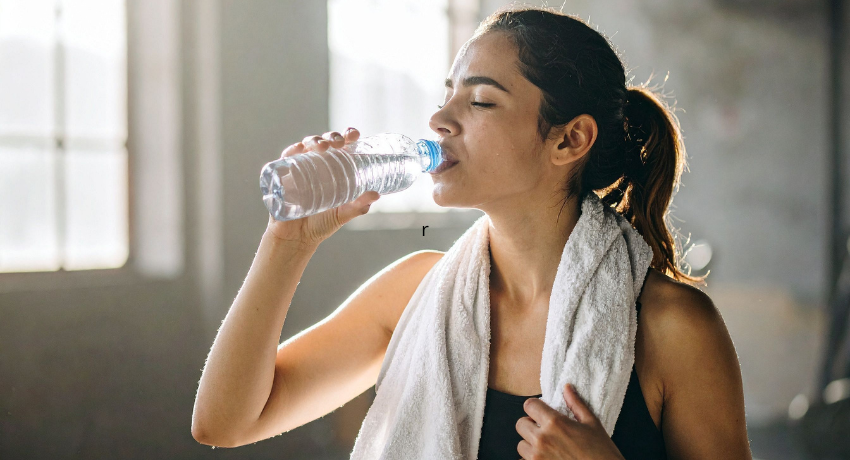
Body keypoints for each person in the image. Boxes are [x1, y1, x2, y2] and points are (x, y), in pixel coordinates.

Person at [192, 5, 751, 459]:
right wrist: (288, 242)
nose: (439, 120)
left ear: (569, 140)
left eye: (480, 100)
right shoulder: (413, 294)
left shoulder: (673, 327)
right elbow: (225, 423)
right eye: (447, 96)